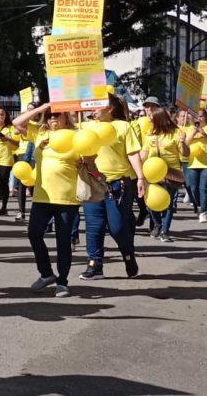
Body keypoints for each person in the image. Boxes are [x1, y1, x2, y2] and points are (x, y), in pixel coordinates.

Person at [13, 102, 82, 297]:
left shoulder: (76, 135)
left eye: (57, 115)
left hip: (67, 197)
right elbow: (16, 122)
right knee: (34, 234)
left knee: (63, 241)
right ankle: (46, 273)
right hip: (42, 196)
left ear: (65, 117)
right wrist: (41, 108)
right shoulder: (40, 132)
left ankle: (63, 281)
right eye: (50, 115)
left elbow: (90, 156)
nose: (53, 118)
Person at [80, 95, 143, 280]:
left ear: (111, 108)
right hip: (92, 182)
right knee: (94, 225)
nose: (93, 108)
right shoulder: (85, 126)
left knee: (116, 227)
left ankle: (128, 255)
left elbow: (132, 153)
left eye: (98, 104)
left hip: (118, 184)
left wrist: (140, 177)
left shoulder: (123, 126)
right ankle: (94, 264)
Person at [141, 105, 189, 242]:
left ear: (159, 119)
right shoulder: (150, 134)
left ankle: (165, 231)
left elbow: (185, 154)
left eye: (151, 117)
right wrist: (137, 167)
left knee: (169, 203)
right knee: (152, 201)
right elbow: (144, 153)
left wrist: (183, 143)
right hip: (153, 171)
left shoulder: (176, 133)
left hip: (171, 172)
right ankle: (157, 223)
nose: (148, 119)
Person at [185, 109, 207, 222]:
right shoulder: (189, 129)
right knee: (192, 188)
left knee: (203, 188)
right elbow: (184, 143)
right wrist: (194, 133)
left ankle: (203, 212)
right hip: (193, 162)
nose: (199, 119)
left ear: (206, 117)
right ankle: (199, 206)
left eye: (201, 116)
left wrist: (204, 133)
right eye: (196, 117)